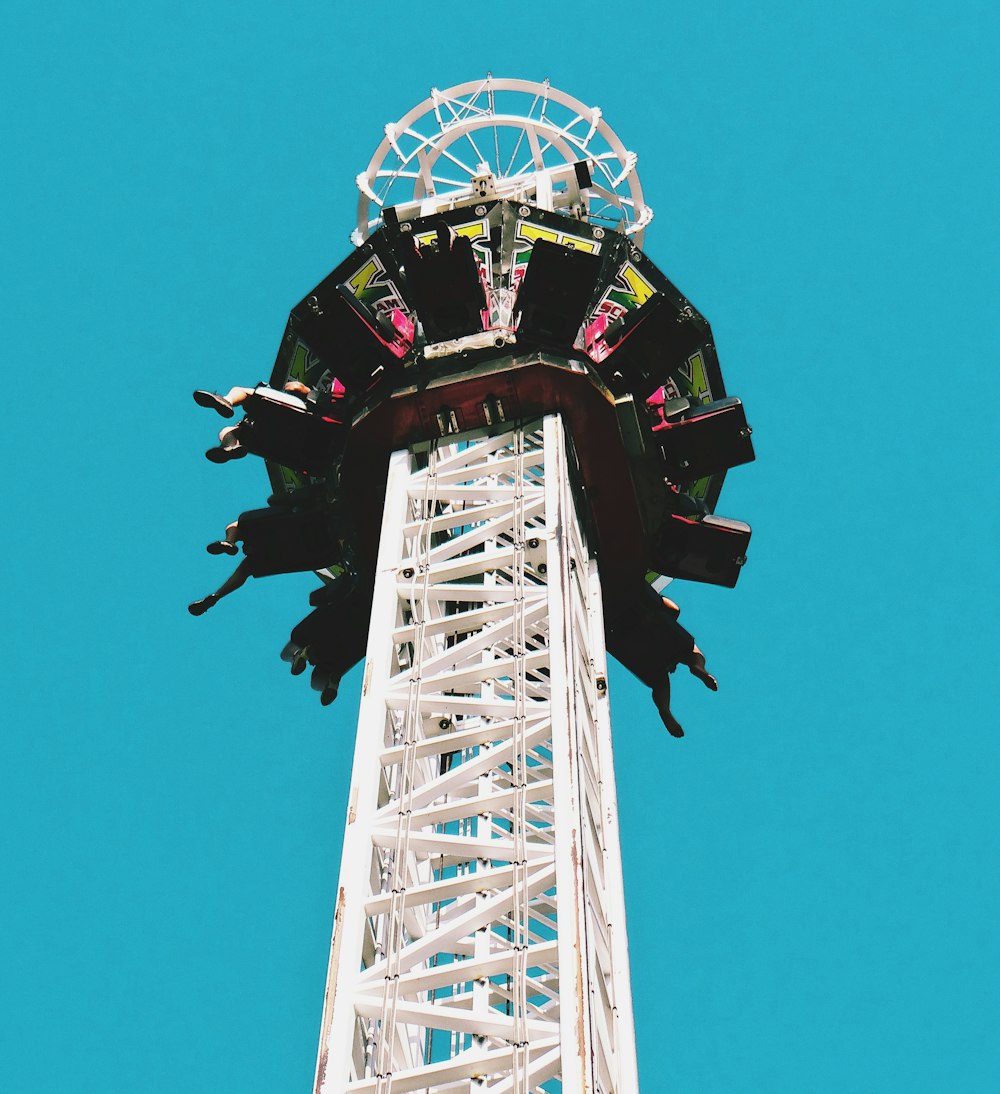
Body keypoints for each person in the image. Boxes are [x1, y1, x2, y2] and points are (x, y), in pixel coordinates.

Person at [188, 501, 353, 616]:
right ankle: (229, 541)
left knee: (241, 528)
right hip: (319, 525)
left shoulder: (258, 558)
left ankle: (229, 542)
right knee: (240, 523)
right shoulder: (265, 533)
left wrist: (217, 596)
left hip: (324, 544)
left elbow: (239, 576)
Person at [605, 580, 717, 738]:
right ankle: (698, 667)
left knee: (659, 680)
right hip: (655, 625)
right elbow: (673, 608)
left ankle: (664, 709)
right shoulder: (633, 582)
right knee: (690, 650)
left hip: (625, 639)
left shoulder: (596, 606)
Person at [193, 379, 348, 475]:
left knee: (242, 394)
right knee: (231, 428)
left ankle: (227, 401)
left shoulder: (335, 393)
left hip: (306, 431)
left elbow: (296, 387)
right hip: (309, 431)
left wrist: (302, 389)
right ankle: (230, 444)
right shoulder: (339, 394)